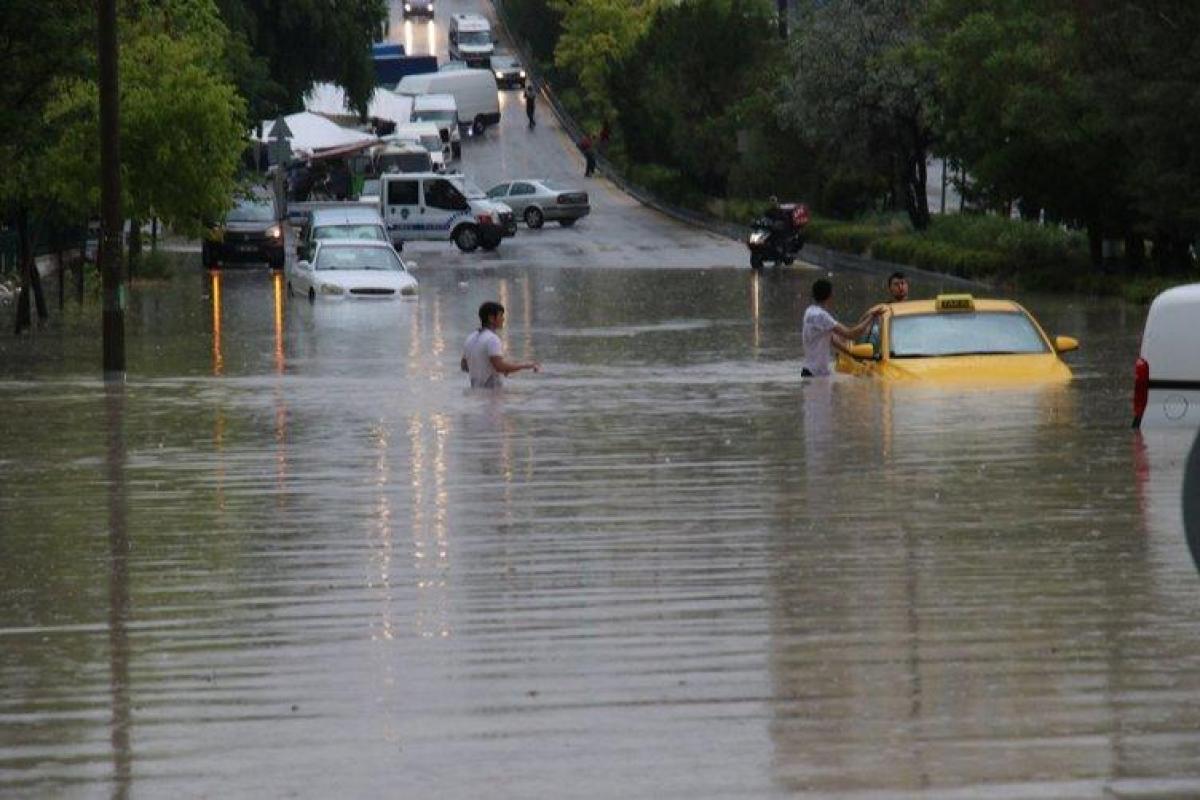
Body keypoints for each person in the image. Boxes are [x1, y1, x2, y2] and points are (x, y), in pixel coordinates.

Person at [801, 279, 882, 377]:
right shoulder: (822, 316)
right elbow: (851, 334)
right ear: (830, 297)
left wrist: (853, 355)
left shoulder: (809, 312)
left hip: (810, 371)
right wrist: (871, 317)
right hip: (816, 374)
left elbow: (832, 339)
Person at [461, 301, 540, 389]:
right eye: (501, 316)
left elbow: (464, 366)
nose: (503, 319)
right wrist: (525, 365)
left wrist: (483, 370)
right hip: (492, 394)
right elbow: (500, 366)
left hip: (475, 391)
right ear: (491, 318)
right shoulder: (492, 339)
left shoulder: (470, 338)